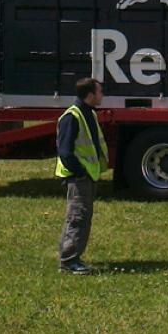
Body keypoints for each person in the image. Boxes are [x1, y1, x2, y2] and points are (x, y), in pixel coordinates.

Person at [55, 77, 108, 274]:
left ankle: (69, 255)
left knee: (80, 217)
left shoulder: (89, 114)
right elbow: (65, 151)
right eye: (100, 92)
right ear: (90, 95)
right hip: (79, 178)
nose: (102, 95)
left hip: (88, 176)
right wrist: (80, 172)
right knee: (77, 217)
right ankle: (69, 261)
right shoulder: (72, 116)